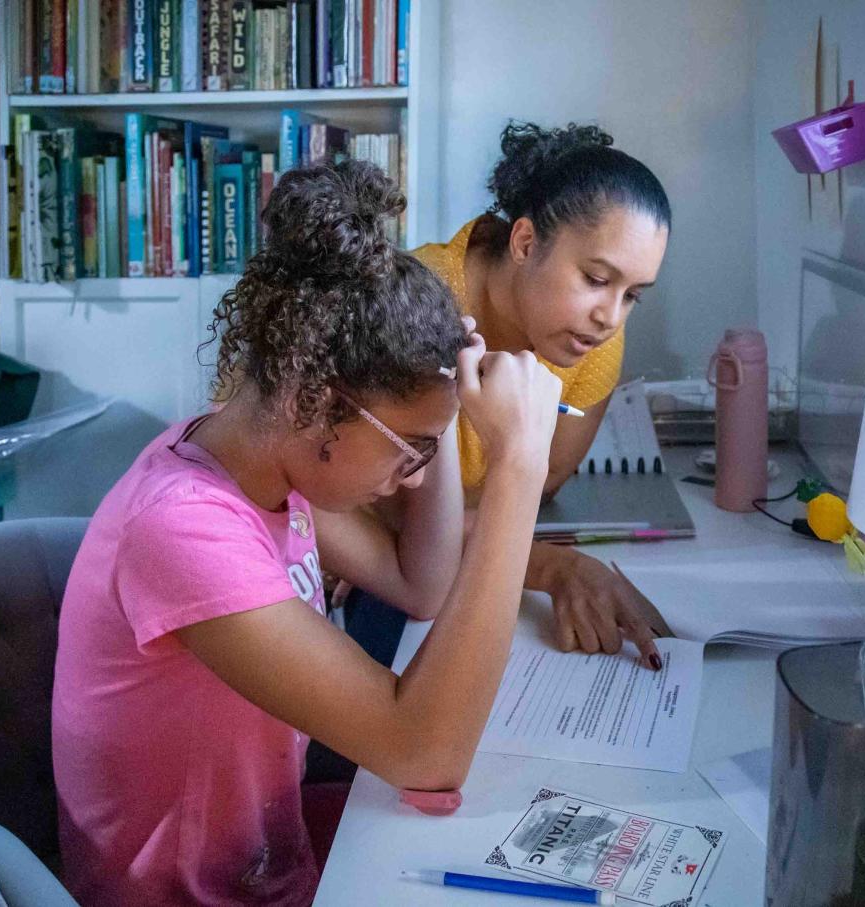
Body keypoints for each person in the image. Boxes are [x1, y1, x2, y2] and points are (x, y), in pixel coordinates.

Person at [51, 160, 562, 905]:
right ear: (316, 402)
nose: (416, 478)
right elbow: (426, 753)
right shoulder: (183, 527)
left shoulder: (261, 467)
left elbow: (423, 582)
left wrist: (442, 395)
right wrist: (519, 464)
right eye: (410, 449)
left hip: (269, 867)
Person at [415, 121, 673, 661]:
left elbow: (546, 480)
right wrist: (552, 566)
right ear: (526, 242)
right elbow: (398, 517)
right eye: (597, 279)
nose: (610, 318)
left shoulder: (591, 336)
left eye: (633, 295)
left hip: (446, 561)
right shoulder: (418, 308)